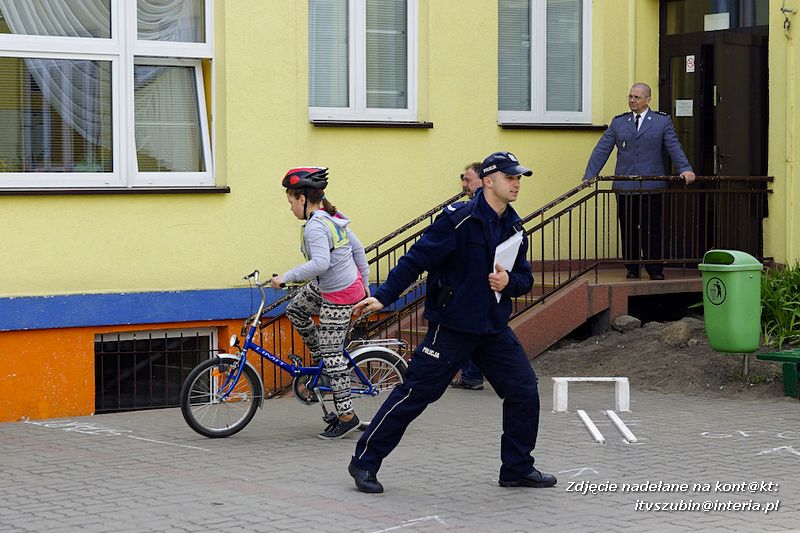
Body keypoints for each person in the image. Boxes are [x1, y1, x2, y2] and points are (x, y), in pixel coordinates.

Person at [346, 151, 557, 494]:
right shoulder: (457, 220)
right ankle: (364, 462)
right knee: (414, 394)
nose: (517, 183)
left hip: (492, 328)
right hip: (453, 328)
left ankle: (517, 468)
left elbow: (524, 278)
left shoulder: (514, 227)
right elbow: (416, 259)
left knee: (523, 391)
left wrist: (509, 284)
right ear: (489, 181)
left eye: (519, 178)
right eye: (510, 177)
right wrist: (384, 296)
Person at [270, 166, 370, 440]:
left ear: (303, 199)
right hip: (328, 286)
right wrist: (366, 284)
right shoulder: (330, 216)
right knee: (295, 310)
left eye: (291, 201)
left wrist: (285, 278)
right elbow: (358, 249)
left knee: (333, 354)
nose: (290, 207)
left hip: (340, 295)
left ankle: (347, 416)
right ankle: (322, 358)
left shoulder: (317, 225)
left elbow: (320, 263)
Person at [583, 82, 696, 280]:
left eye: (636, 97)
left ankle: (654, 269)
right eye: (630, 96)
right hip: (625, 187)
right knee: (628, 229)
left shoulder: (661, 121)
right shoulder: (619, 122)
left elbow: (673, 146)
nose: (632, 100)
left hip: (651, 187)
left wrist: (685, 169)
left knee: (652, 229)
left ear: (648, 100)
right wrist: (590, 175)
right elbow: (602, 149)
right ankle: (632, 267)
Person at [450, 161, 486, 391]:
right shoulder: (477, 205)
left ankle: (472, 376)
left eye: (467, 179)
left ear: (484, 180)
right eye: (463, 179)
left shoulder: (477, 207)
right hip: (477, 280)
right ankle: (471, 375)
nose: (464, 184)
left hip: (477, 281)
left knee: (474, 330)